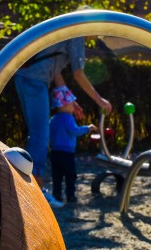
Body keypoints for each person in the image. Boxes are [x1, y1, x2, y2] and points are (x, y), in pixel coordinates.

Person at [13, 36, 111, 206]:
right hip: (36, 80)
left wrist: (69, 100)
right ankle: (36, 192)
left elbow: (55, 71)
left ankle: (27, 187)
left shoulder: (65, 34)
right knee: (41, 136)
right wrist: (100, 100)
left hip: (25, 77)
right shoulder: (77, 35)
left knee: (37, 134)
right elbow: (78, 73)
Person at [48, 86, 94, 204]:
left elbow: (48, 134)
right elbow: (74, 130)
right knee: (70, 175)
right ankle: (70, 196)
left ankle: (57, 195)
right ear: (63, 105)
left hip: (55, 152)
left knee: (57, 176)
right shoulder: (68, 118)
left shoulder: (53, 119)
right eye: (71, 104)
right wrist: (87, 128)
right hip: (67, 153)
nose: (73, 106)